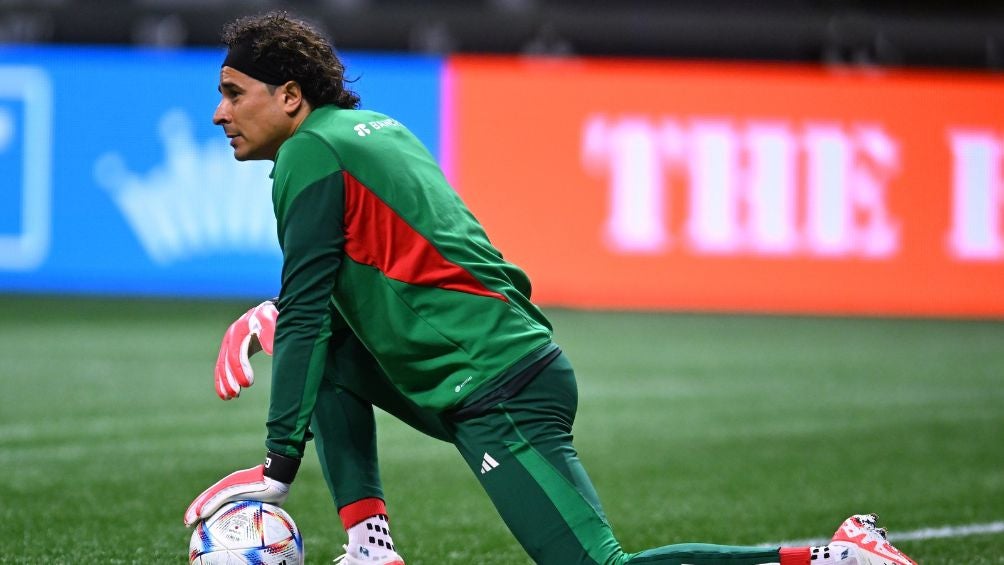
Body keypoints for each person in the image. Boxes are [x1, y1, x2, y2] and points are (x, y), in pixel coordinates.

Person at [184, 11, 917, 565]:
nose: (220, 112)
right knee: (324, 347)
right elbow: (336, 297)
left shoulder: (310, 154)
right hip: (481, 367)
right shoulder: (368, 127)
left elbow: (310, 306)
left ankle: (839, 557)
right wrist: (282, 312)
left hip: (497, 385)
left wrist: (278, 468)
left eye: (233, 93)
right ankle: (369, 548)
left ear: (289, 96)